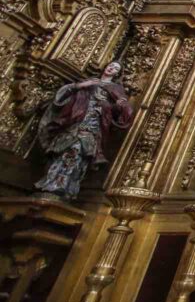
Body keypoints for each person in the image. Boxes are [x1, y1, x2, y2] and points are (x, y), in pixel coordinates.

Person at [35, 62, 132, 200]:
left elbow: (121, 109)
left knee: (78, 152)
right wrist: (79, 87)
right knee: (60, 150)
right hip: (75, 119)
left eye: (116, 68)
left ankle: (64, 188)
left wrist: (109, 106)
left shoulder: (115, 88)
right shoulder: (90, 81)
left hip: (93, 125)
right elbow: (64, 96)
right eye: (111, 65)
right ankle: (49, 184)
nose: (111, 68)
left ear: (117, 74)